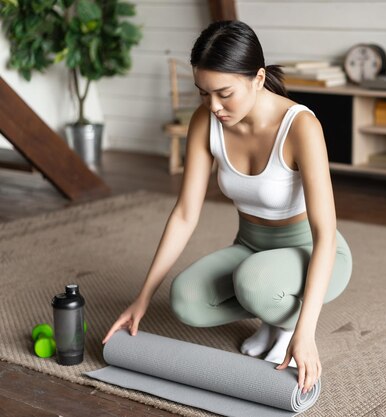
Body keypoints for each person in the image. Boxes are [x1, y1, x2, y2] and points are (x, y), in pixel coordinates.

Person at [102, 20, 352, 395]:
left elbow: (324, 233)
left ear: (258, 78)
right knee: (185, 300)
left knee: (254, 282)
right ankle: (271, 311)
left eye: (224, 93)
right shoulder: (206, 119)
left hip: (312, 250)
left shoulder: (301, 127)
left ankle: (284, 322)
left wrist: (306, 332)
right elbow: (186, 213)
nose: (213, 106)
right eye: (203, 93)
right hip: (251, 246)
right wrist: (143, 297)